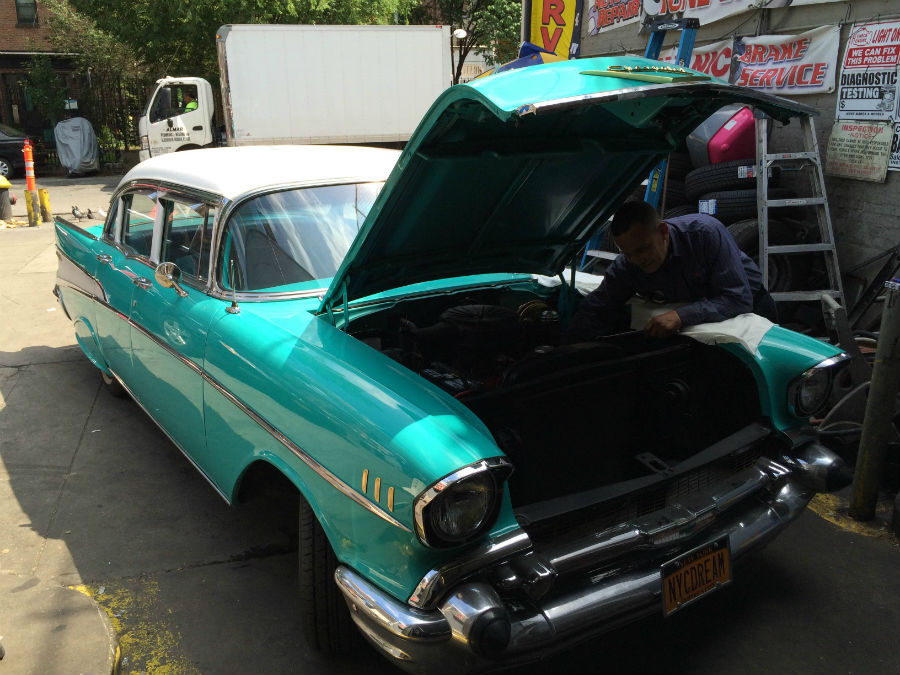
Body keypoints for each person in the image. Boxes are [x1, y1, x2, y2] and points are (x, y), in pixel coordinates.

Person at [568, 200, 778, 341]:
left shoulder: (704, 233)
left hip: (752, 310)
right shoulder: (628, 265)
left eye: (643, 248)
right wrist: (569, 350)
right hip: (702, 321)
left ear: (663, 231)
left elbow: (738, 298)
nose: (638, 259)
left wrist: (680, 316)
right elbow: (598, 306)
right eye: (628, 253)